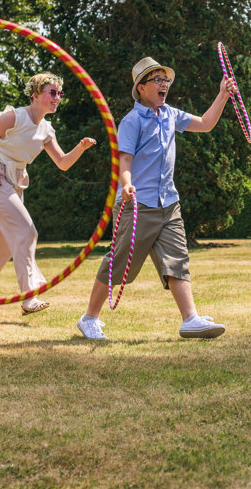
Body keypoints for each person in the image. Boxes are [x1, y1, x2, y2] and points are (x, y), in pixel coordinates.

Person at [75, 56, 236, 341]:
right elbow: (124, 162)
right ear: (141, 87)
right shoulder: (132, 121)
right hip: (137, 204)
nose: (165, 85)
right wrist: (126, 186)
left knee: (177, 259)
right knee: (120, 263)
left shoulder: (171, 115)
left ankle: (190, 319)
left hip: (169, 204)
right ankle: (89, 318)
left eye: (166, 80)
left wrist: (223, 93)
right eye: (158, 80)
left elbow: (206, 124)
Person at [0, 72, 96, 315]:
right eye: (52, 93)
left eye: (59, 94)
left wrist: (81, 147)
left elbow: (63, 163)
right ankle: (29, 297)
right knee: (26, 231)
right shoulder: (14, 116)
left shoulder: (46, 130)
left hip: (14, 183)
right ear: (35, 96)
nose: (57, 98)